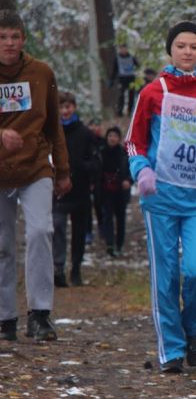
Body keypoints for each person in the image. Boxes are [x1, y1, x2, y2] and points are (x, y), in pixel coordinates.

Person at [125, 21, 196, 373]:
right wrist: (142, 170)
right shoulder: (152, 92)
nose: (188, 51)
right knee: (166, 275)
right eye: (181, 46)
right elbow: (134, 141)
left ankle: (192, 330)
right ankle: (171, 350)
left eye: (193, 46)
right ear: (170, 50)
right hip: (160, 197)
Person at [0, 10, 71, 341]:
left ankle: (40, 314)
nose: (9, 43)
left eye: (14, 37)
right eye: (2, 37)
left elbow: (55, 124)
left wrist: (63, 170)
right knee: (2, 245)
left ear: (23, 39)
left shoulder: (41, 73)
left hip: (36, 167)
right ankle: (5, 318)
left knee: (41, 231)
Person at [53, 91, 99, 287]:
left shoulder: (85, 133)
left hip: (80, 189)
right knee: (57, 226)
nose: (65, 111)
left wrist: (84, 168)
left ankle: (76, 268)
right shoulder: (52, 132)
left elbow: (96, 160)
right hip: (57, 190)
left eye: (68, 107)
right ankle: (58, 268)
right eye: (61, 107)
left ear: (74, 107)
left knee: (79, 231)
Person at [98, 126, 131, 257]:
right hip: (105, 190)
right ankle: (110, 244)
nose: (112, 139)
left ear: (119, 138)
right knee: (107, 217)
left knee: (120, 218)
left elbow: (130, 169)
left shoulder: (124, 153)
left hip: (121, 190)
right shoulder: (101, 152)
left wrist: (128, 180)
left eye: (115, 136)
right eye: (110, 136)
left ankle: (119, 243)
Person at [85, 117, 105, 245]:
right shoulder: (85, 141)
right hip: (86, 179)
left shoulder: (103, 142)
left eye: (97, 126)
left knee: (99, 205)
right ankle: (88, 231)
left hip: (100, 180)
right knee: (86, 207)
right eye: (92, 126)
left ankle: (102, 227)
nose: (94, 128)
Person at [109, 44, 139, 117]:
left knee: (131, 94)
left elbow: (138, 66)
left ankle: (129, 111)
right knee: (121, 95)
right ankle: (120, 112)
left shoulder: (131, 57)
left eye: (125, 48)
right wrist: (112, 80)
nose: (123, 50)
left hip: (131, 78)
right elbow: (115, 70)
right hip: (122, 79)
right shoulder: (117, 58)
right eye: (122, 49)